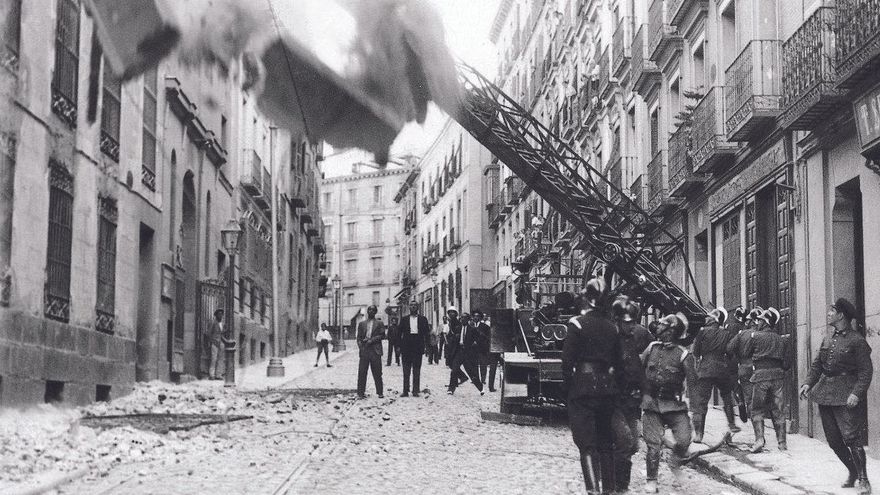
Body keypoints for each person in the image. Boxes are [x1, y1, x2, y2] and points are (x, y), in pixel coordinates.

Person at [800, 298, 873, 494]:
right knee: (833, 440)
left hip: (846, 395)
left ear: (841, 315)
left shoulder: (857, 341)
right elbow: (817, 366)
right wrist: (807, 383)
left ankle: (864, 480)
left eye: (832, 311)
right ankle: (853, 472)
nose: (829, 314)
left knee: (852, 438)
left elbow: (866, 372)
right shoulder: (828, 339)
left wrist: (856, 394)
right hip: (825, 394)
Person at [561, 278, 626, 494]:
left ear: (587, 299)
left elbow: (567, 362)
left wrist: (569, 389)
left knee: (586, 444)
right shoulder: (613, 327)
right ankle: (609, 490)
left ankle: (592, 490)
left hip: (582, 387)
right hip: (607, 389)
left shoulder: (576, 324)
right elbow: (619, 363)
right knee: (606, 442)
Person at [640, 312, 692, 494]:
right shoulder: (652, 348)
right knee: (653, 445)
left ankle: (674, 463)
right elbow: (637, 368)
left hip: (674, 406)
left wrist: (692, 404)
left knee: (685, 440)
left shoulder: (683, 354)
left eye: (662, 324)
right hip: (652, 404)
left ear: (670, 330)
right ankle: (651, 479)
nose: (657, 326)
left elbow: (693, 380)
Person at [610, 296, 652, 491]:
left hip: (631, 401)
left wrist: (645, 392)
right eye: (628, 322)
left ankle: (616, 478)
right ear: (618, 321)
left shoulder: (632, 340)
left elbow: (638, 369)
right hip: (612, 401)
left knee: (634, 444)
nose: (632, 326)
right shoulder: (608, 341)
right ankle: (619, 486)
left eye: (634, 322)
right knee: (625, 440)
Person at [691, 307, 740, 443]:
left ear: (714, 319)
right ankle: (731, 424)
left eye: (709, 317)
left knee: (701, 402)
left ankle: (699, 435)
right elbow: (730, 352)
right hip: (722, 369)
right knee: (727, 397)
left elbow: (696, 352)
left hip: (705, 369)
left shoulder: (702, 331)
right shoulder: (726, 333)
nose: (706, 318)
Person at [744, 307, 789, 452]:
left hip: (761, 376)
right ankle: (782, 443)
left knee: (756, 409)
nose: (758, 322)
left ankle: (759, 440)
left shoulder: (754, 336)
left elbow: (746, 352)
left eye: (761, 320)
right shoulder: (781, 339)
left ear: (766, 322)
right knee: (778, 410)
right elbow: (787, 363)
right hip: (778, 377)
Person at [726, 307, 762, 420]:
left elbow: (729, 348)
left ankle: (741, 402)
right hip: (762, 368)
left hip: (742, 364)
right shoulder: (763, 333)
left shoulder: (738, 331)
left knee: (747, 394)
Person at [398, 300, 430, 397]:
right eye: (411, 305)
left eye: (415, 305)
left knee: (416, 369)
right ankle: (405, 390)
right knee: (406, 369)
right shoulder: (404, 319)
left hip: (418, 345)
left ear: (418, 307)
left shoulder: (423, 319)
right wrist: (398, 347)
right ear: (409, 307)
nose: (413, 307)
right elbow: (399, 334)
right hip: (406, 346)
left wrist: (427, 347)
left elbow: (426, 334)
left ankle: (415, 390)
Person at [447, 310, 484, 395]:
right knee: (454, 370)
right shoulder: (457, 328)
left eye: (465, 318)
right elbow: (451, 339)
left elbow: (479, 338)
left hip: (468, 353)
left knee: (471, 372)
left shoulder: (472, 329)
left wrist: (475, 343)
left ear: (468, 319)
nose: (462, 319)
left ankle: (480, 388)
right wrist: (455, 338)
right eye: (462, 318)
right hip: (459, 351)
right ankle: (451, 389)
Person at [356, 305, 386, 399]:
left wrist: (372, 340)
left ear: (375, 312)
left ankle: (380, 392)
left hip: (375, 350)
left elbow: (382, 335)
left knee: (377, 372)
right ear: (367, 312)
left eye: (373, 310)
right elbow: (359, 337)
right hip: (365, 350)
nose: (371, 311)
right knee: (362, 372)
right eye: (369, 310)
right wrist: (361, 347)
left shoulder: (380, 323)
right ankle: (361, 392)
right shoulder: (362, 324)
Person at [474, 310, 493, 385]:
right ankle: (475, 378)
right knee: (474, 364)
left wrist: (483, 336)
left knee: (483, 364)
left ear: (480, 317)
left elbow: (489, 337)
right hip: (473, 348)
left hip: (482, 348)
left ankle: (483, 378)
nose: (476, 317)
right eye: (474, 316)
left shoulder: (485, 326)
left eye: (477, 316)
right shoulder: (471, 325)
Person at [207, 309, 225, 380]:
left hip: (221, 343)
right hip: (214, 343)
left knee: (220, 359)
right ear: (216, 315)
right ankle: (211, 374)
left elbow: (222, 333)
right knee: (213, 359)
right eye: (219, 314)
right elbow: (209, 333)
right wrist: (212, 341)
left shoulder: (222, 324)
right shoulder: (213, 322)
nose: (220, 315)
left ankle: (218, 374)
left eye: (221, 314)